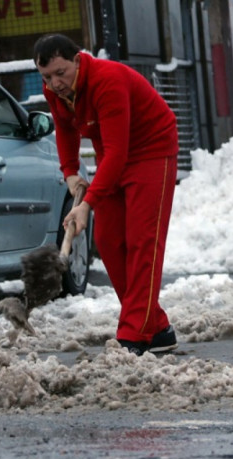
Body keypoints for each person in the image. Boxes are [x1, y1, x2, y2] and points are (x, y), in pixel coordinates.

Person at [34, 33, 179, 355]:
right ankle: (156, 328)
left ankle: (133, 336)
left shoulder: (107, 81)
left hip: (151, 151)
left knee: (143, 242)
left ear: (77, 60)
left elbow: (118, 152)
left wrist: (88, 203)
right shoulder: (55, 91)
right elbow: (66, 130)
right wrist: (70, 171)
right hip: (114, 153)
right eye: (47, 77)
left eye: (61, 73)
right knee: (112, 243)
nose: (55, 83)